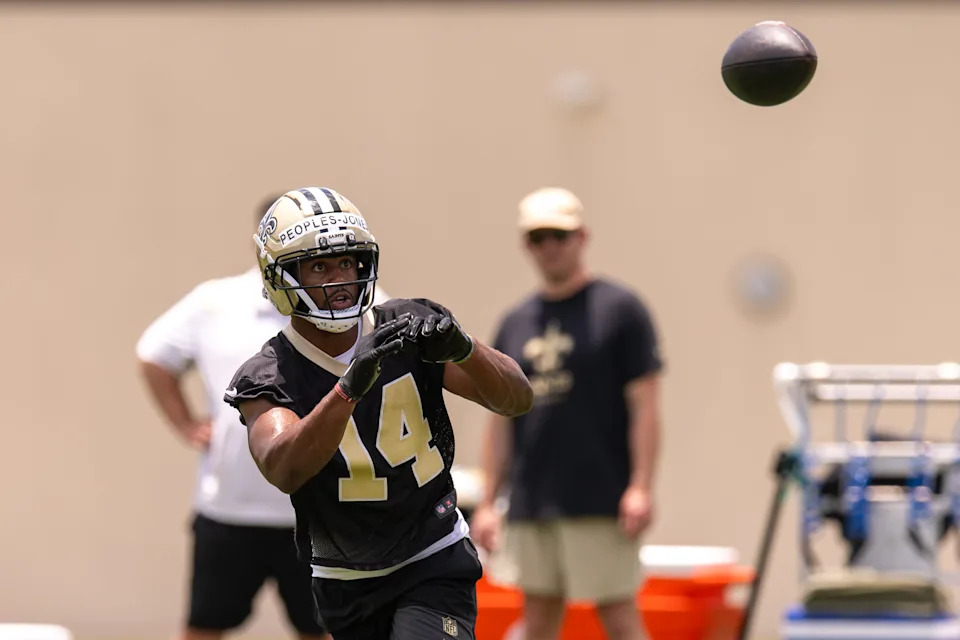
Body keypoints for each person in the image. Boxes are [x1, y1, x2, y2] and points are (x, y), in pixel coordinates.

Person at [223, 187, 533, 640]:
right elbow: (284, 467)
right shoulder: (270, 374)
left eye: (347, 262)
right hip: (345, 580)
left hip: (432, 556)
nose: (339, 278)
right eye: (319, 266)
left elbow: (517, 399)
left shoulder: (409, 327)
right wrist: (347, 390)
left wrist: (466, 349)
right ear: (281, 275)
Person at [470, 187, 665, 640]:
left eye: (559, 235)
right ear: (526, 245)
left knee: (617, 614)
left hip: (601, 495)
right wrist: (489, 502)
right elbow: (499, 420)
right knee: (537, 618)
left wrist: (640, 487)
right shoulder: (515, 321)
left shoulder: (620, 310)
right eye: (538, 238)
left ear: (582, 237)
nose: (550, 247)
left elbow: (645, 406)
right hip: (532, 497)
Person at [136, 195, 333, 640]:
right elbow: (153, 356)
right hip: (229, 508)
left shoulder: (351, 300)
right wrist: (186, 424)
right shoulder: (215, 301)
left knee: (324, 630)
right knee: (204, 627)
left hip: (320, 512)